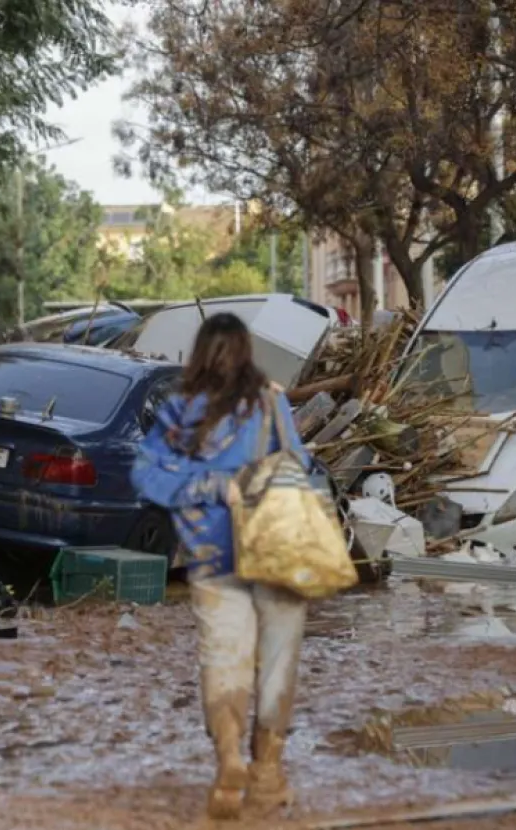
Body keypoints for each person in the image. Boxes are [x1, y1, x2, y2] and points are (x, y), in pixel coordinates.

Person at [131, 313, 310, 821]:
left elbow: (146, 476)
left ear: (201, 353)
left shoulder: (181, 409)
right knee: (275, 666)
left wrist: (203, 487)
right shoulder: (272, 401)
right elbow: (299, 466)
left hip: (210, 559)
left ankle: (229, 761)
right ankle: (268, 776)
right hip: (272, 553)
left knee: (223, 660)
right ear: (248, 350)